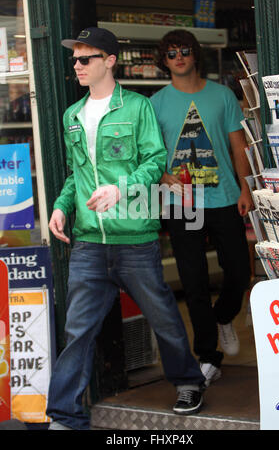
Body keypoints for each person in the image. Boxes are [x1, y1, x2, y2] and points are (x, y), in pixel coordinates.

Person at [46, 27, 206, 430]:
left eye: (86, 58)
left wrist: (121, 189)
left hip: (135, 239)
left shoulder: (137, 108)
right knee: (77, 332)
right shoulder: (72, 116)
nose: (78, 66)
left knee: (164, 318)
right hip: (88, 243)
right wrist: (62, 207)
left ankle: (188, 381)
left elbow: (155, 162)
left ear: (110, 61)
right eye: (75, 59)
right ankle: (65, 416)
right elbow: (74, 175)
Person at [150, 29, 253, 387]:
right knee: (193, 283)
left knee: (239, 270)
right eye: (171, 53)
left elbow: (238, 145)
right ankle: (208, 357)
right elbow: (148, 152)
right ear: (164, 62)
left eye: (184, 51)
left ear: (195, 55)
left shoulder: (222, 96)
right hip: (182, 205)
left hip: (225, 197)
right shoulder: (156, 104)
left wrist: (246, 186)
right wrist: (163, 177)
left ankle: (223, 316)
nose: (178, 57)